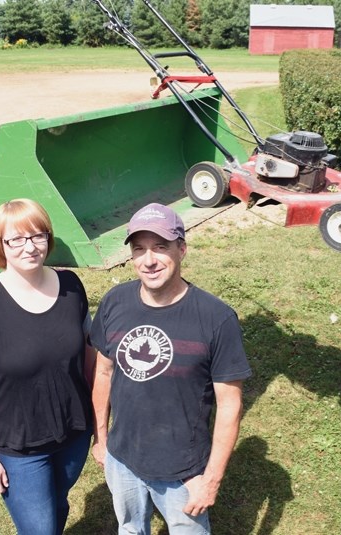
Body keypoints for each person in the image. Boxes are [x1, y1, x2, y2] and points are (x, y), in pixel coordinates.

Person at [90, 202, 252, 534]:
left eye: (160, 248)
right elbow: (103, 372)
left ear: (182, 249)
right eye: (139, 250)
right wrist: (102, 438)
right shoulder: (114, 302)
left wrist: (211, 479)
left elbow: (230, 405)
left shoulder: (216, 319)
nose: (148, 260)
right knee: (130, 529)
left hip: (184, 471)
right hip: (122, 460)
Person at [0, 198, 94, 534]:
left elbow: (89, 352)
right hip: (19, 449)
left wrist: (98, 419)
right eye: (16, 239)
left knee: (58, 503)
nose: (29, 247)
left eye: (38, 236)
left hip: (74, 434)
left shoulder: (71, 287)